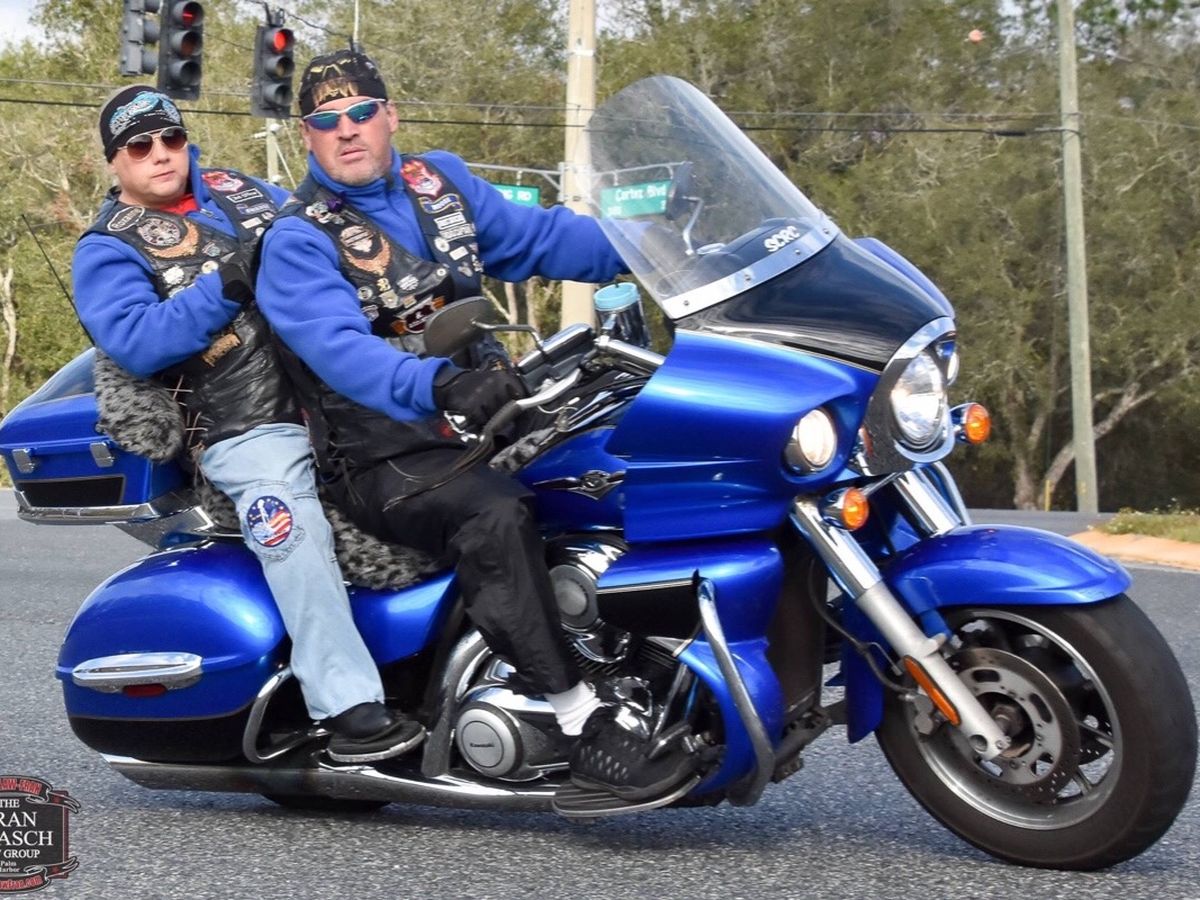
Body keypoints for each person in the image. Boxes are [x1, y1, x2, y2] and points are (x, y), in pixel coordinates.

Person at [256, 49, 699, 801]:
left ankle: (645, 657)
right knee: (493, 516)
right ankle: (576, 719)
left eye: (360, 112)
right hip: (381, 455)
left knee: (624, 456)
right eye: (327, 121)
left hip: (481, 418)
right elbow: (341, 352)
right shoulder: (298, 240)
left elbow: (543, 239)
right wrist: (441, 385)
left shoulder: (441, 184)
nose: (347, 130)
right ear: (307, 136)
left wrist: (663, 244)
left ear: (389, 115)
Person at [72, 85, 424, 764]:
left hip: (337, 399)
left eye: (171, 138)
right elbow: (136, 341)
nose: (160, 154)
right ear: (116, 161)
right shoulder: (107, 247)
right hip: (242, 427)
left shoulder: (245, 191)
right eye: (139, 146)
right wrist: (227, 282)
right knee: (291, 524)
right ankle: (346, 706)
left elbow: (329, 231)